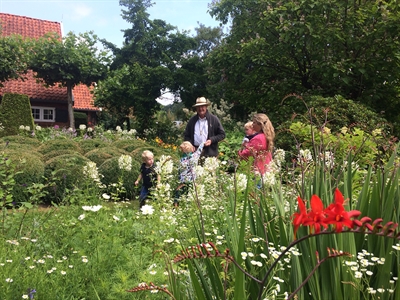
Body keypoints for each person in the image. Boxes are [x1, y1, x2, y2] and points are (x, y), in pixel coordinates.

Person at [173, 141, 205, 206]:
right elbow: (199, 150)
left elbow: (179, 171)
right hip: (192, 179)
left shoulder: (182, 160)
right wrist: (203, 143)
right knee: (192, 194)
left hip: (184, 180)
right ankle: (193, 205)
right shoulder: (194, 156)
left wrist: (179, 178)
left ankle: (176, 207)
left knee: (178, 193)